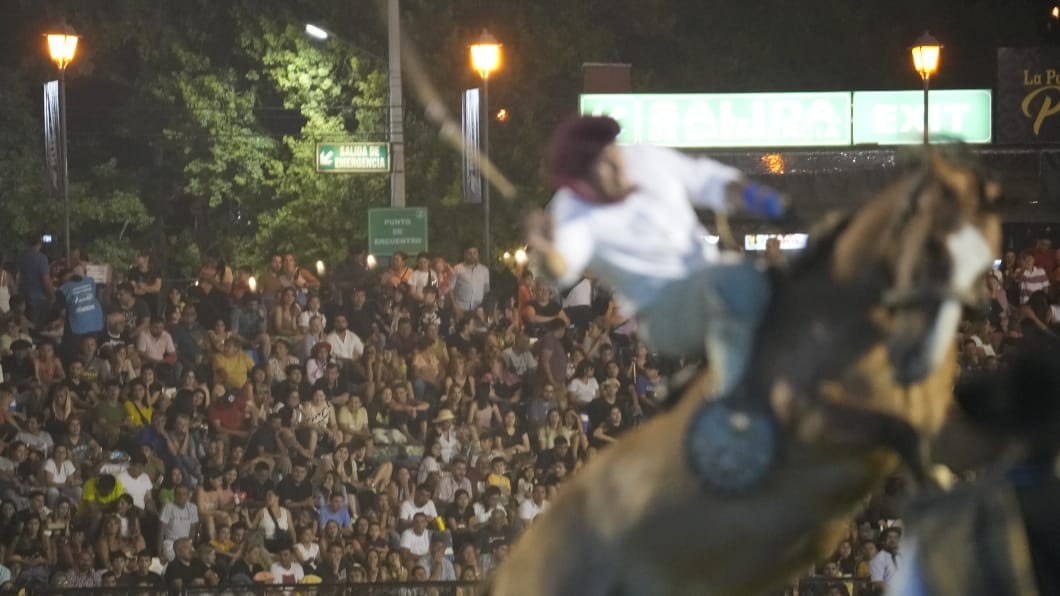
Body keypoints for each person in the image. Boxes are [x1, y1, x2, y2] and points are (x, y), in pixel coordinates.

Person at [533, 115, 787, 396]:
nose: (618, 163)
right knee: (736, 282)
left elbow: (704, 179)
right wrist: (546, 252)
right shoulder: (571, 211)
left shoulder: (643, 158)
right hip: (663, 311)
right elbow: (561, 266)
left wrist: (755, 197)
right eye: (603, 163)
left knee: (778, 280)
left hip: (710, 275)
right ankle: (730, 396)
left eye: (614, 150)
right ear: (582, 177)